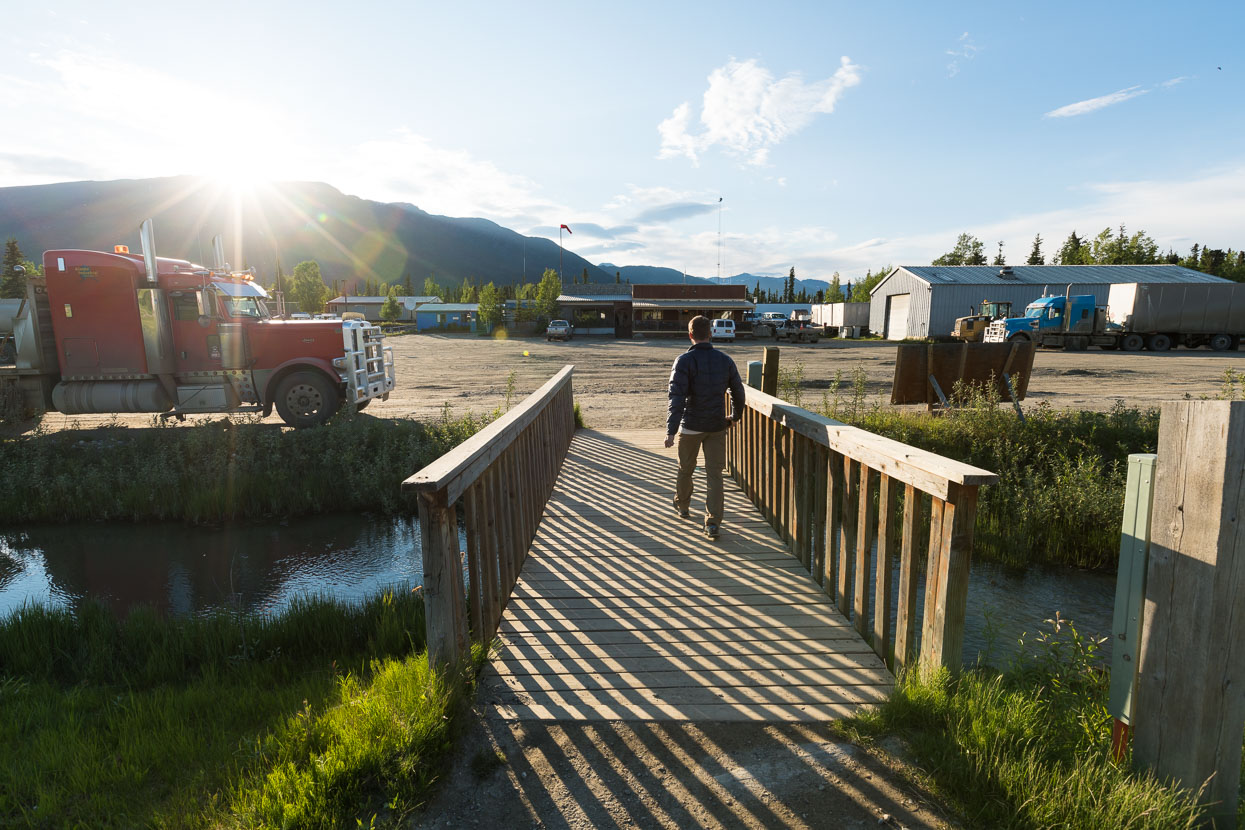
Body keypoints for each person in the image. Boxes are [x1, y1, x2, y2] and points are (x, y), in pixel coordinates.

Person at [665, 315, 746, 540]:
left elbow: (676, 398)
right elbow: (738, 392)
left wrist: (671, 431)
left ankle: (682, 506)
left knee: (685, 468)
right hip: (716, 426)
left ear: (690, 335)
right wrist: (735, 416)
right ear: (710, 334)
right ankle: (712, 523)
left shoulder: (683, 361)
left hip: (690, 427)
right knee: (714, 475)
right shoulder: (725, 360)